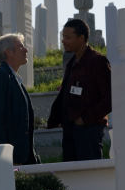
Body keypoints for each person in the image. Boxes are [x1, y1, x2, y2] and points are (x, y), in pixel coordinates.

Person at [47, 19, 112, 161]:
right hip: (70, 131)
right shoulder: (72, 62)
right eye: (62, 37)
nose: (63, 41)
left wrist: (85, 119)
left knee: (90, 177)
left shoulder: (97, 61)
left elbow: (110, 98)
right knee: (71, 178)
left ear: (81, 38)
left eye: (68, 37)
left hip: (89, 131)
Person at [0, 33, 39, 165]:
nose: (26, 50)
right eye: (21, 47)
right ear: (8, 52)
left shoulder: (13, 79)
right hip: (6, 159)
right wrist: (5, 157)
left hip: (20, 157)